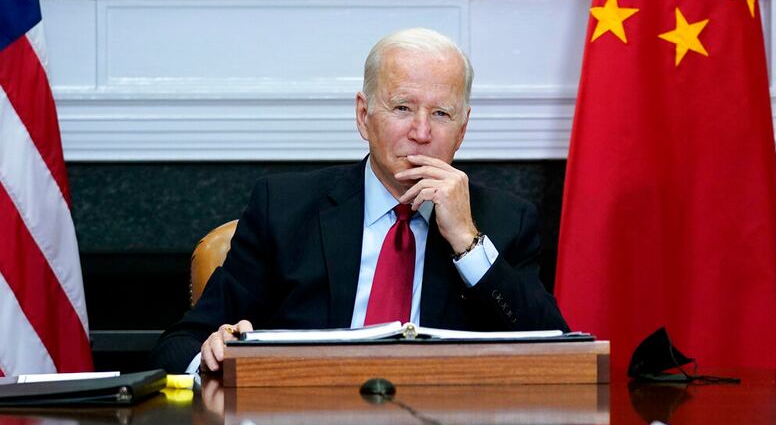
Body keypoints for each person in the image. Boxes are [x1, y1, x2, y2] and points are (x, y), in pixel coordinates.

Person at [150, 28, 568, 374]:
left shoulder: (504, 220)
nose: (421, 132)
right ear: (363, 115)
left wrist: (466, 241)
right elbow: (178, 345)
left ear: (463, 128)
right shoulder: (284, 209)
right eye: (402, 107)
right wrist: (210, 357)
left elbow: (558, 359)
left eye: (441, 114)